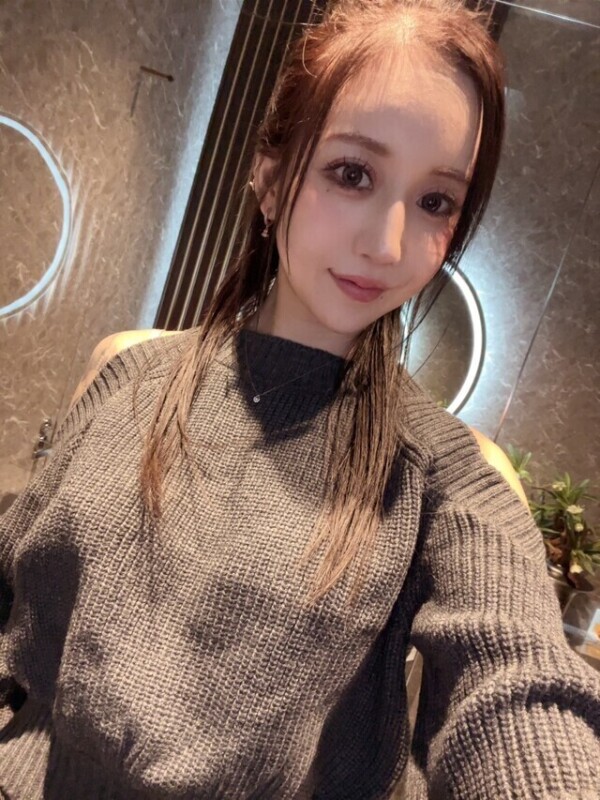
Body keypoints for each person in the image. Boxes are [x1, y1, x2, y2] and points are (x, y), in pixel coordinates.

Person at [0, 0, 598, 797]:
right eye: (353, 174)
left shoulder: (450, 478)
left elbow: (516, 683)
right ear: (272, 176)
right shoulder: (127, 372)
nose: (386, 244)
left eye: (436, 202)